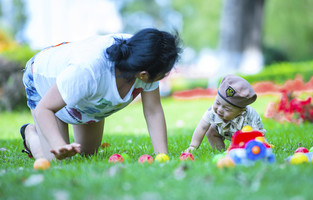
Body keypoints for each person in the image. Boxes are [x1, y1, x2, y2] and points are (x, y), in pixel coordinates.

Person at [20, 28, 182, 160]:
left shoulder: (148, 57)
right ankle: (31, 133)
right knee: (57, 160)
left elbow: (153, 111)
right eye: (166, 72)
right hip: (45, 81)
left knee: (88, 154)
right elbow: (44, 109)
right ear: (144, 75)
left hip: (81, 94)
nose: (167, 74)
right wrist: (58, 144)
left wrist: (162, 156)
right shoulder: (89, 70)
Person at [185, 74, 265, 152]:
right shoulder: (212, 111)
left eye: (227, 109)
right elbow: (202, 127)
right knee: (211, 131)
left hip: (246, 134)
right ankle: (220, 151)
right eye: (218, 103)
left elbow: (257, 137)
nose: (219, 110)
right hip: (225, 130)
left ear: (241, 111)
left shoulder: (248, 117)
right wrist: (193, 146)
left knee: (247, 147)